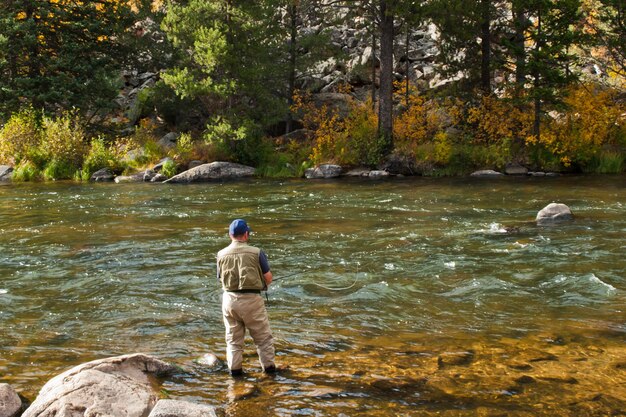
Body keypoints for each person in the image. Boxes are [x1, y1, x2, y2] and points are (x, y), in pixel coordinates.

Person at [217, 219, 276, 376]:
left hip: (229, 300)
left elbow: (220, 278)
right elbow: (268, 277)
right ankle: (269, 373)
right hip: (251, 301)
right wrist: (263, 285)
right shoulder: (256, 252)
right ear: (246, 234)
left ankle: (235, 375)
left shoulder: (221, 254)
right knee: (263, 339)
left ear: (230, 235)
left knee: (233, 341)